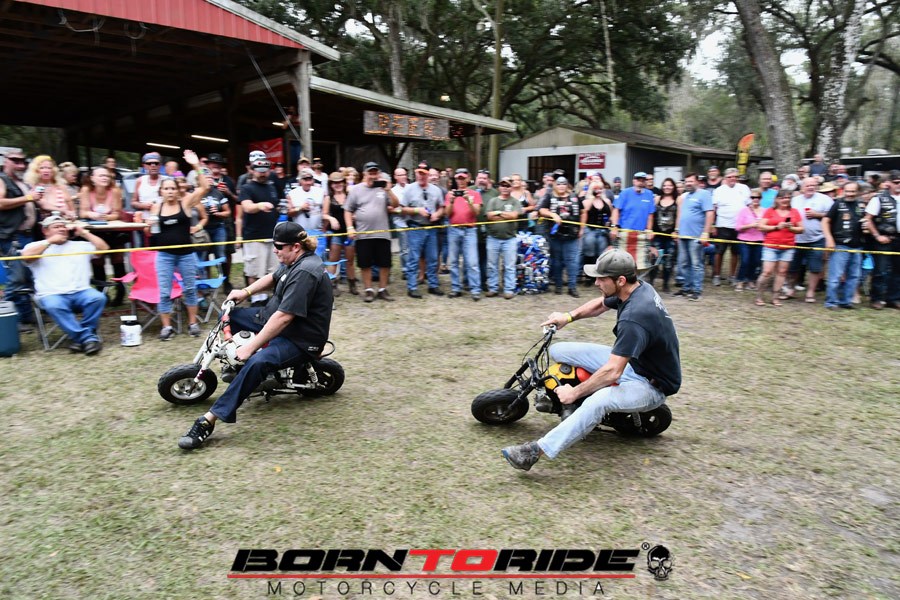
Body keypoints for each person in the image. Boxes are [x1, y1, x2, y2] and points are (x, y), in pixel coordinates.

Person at [501, 250, 681, 471]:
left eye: (601, 278)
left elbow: (613, 371)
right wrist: (567, 317)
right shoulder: (636, 288)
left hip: (651, 385)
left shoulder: (635, 317)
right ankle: (581, 405)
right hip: (636, 365)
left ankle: (535, 451)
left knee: (599, 401)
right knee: (560, 350)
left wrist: (574, 393)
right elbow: (602, 304)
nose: (596, 283)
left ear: (620, 280)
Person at [177, 221, 333, 449]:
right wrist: (245, 291)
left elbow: (284, 318)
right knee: (228, 314)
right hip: (273, 319)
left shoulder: (305, 272)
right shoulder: (294, 261)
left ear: (296, 246)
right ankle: (222, 364)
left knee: (257, 362)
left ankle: (207, 421)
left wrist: (251, 348)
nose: (274, 250)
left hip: (299, 338)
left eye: (278, 246)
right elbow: (274, 277)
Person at [21, 213, 109, 354]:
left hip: (81, 291)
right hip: (51, 294)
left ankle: (78, 338)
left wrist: (84, 233)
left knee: (98, 298)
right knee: (54, 305)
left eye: (64, 226)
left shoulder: (80, 245)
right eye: (56, 227)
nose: (61, 229)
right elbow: (27, 257)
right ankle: (88, 339)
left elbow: (104, 248)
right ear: (45, 231)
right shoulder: (35, 246)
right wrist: (50, 242)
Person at [149, 151, 209, 340]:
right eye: (166, 188)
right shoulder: (156, 208)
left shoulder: (186, 203)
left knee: (190, 289)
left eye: (172, 188)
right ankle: (166, 328)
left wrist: (195, 165)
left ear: (177, 190)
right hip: (164, 255)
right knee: (164, 292)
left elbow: (205, 187)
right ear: (161, 191)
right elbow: (150, 232)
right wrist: (147, 226)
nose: (169, 191)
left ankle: (193, 324)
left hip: (186, 254)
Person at [344, 162, 399, 302]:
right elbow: (348, 210)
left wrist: (389, 190)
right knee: (365, 264)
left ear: (378, 174)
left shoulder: (383, 188)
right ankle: (368, 290)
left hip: (383, 233)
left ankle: (382, 289)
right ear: (365, 174)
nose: (373, 175)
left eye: (375, 173)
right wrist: (350, 227)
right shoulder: (356, 190)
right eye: (370, 173)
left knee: (385, 263)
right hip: (363, 234)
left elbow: (395, 204)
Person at [0, 149, 39, 327]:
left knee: (27, 277)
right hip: (13, 236)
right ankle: (9, 321)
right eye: (15, 160)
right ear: (5, 161)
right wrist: (29, 197)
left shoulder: (21, 182)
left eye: (23, 161)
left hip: (26, 235)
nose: (20, 165)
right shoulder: (2, 179)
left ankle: (25, 317)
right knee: (16, 279)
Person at [79, 166, 127, 305]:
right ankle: (101, 295)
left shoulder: (115, 191)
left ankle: (120, 294)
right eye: (101, 175)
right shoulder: (86, 190)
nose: (105, 178)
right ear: (92, 178)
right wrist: (91, 214)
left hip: (114, 230)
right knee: (98, 261)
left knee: (118, 260)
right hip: (96, 232)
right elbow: (82, 212)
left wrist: (106, 217)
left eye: (107, 175)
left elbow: (117, 213)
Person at [238, 152, 281, 306]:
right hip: (254, 236)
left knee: (271, 271)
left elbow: (277, 205)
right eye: (259, 170)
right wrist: (260, 205)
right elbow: (246, 207)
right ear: (252, 170)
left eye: (265, 170)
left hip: (272, 235)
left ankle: (265, 299)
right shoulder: (246, 188)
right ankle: (256, 300)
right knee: (255, 271)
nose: (263, 173)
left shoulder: (272, 187)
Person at [783, 177, 834, 302]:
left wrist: (817, 214)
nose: (810, 187)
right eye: (807, 185)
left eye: (813, 185)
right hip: (796, 239)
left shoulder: (825, 199)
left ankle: (810, 293)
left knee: (815, 267)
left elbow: (833, 215)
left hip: (817, 238)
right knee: (793, 267)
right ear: (802, 188)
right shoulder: (795, 200)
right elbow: (787, 214)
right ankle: (791, 290)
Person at [399, 160, 445, 298]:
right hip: (416, 227)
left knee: (433, 258)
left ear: (428, 175)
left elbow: (441, 207)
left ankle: (433, 285)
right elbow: (402, 209)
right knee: (414, 258)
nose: (421, 176)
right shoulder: (409, 189)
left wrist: (437, 214)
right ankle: (412, 287)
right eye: (419, 173)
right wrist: (417, 210)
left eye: (424, 174)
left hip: (431, 228)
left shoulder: (436, 190)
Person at [755, 190, 803, 306]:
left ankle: (775, 297)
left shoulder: (794, 212)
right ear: (777, 200)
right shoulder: (770, 211)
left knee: (782, 272)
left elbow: (801, 229)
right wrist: (776, 227)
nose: (785, 200)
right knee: (767, 272)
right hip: (771, 245)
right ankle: (759, 296)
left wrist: (791, 228)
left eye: (788, 197)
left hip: (788, 246)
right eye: (782, 198)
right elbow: (761, 227)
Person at [822, 180, 865, 310]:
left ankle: (846, 301)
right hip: (840, 245)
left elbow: (865, 220)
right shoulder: (837, 204)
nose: (850, 194)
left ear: (858, 192)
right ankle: (831, 302)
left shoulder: (861, 204)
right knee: (835, 275)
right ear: (843, 191)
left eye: (853, 191)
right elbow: (825, 221)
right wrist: (829, 239)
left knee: (854, 276)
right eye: (847, 191)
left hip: (857, 245)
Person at [863, 170, 900, 309]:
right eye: (896, 182)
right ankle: (876, 299)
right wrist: (877, 235)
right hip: (884, 238)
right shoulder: (879, 198)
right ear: (889, 183)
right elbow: (868, 219)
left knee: (898, 270)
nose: (899, 185)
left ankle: (894, 298)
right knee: (880, 270)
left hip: (899, 239)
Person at [673, 173, 713, 301]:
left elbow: (710, 214)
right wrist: (677, 230)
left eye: (690, 181)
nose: (688, 184)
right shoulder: (687, 196)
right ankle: (686, 288)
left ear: (697, 181)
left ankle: (696, 290)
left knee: (696, 265)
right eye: (686, 182)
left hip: (696, 236)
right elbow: (681, 215)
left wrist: (705, 233)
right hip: (683, 235)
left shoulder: (704, 194)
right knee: (684, 264)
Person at [444, 168, 483, 301]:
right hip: (454, 229)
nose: (461, 181)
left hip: (469, 230)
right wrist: (451, 201)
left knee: (472, 261)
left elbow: (476, 213)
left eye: (463, 178)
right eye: (458, 179)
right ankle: (456, 288)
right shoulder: (450, 194)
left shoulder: (475, 194)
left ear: (468, 179)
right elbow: (447, 213)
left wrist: (468, 200)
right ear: (455, 180)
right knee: (454, 261)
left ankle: (475, 289)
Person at [483, 176, 523, 299]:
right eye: (502, 185)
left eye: (507, 185)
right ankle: (493, 288)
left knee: (509, 266)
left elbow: (514, 215)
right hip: (493, 238)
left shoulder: (515, 202)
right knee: (492, 265)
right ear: (499, 187)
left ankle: (509, 289)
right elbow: (489, 216)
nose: (505, 188)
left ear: (511, 188)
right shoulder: (493, 201)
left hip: (510, 238)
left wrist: (498, 213)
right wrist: (504, 214)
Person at [711, 167, 750, 286]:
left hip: (738, 227)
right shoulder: (719, 190)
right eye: (730, 177)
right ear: (725, 178)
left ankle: (732, 276)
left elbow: (749, 206)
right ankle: (717, 275)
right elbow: (714, 209)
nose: (732, 179)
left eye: (735, 177)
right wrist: (713, 225)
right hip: (722, 225)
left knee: (735, 252)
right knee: (719, 252)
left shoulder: (744, 188)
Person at [609, 172, 655, 266]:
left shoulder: (649, 194)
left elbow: (650, 214)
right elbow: (616, 210)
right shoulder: (625, 193)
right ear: (633, 181)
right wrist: (614, 227)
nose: (640, 183)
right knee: (621, 263)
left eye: (643, 181)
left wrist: (650, 230)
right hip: (624, 234)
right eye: (638, 180)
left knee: (641, 264)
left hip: (641, 235)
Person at [322, 171, 356, 295]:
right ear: (331, 184)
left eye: (340, 182)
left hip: (349, 232)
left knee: (350, 260)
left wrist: (355, 216)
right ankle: (332, 284)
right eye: (335, 183)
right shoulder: (328, 198)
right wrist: (331, 218)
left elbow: (357, 209)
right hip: (335, 232)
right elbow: (324, 214)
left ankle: (352, 284)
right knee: (333, 259)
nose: (338, 185)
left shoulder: (350, 195)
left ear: (344, 183)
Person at [24, 155, 76, 219]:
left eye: (49, 168)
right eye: (42, 168)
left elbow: (72, 209)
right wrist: (64, 211)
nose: (46, 171)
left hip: (66, 222)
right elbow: (44, 205)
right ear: (36, 171)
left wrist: (72, 216)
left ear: (53, 170)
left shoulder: (61, 186)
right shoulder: (32, 187)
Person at [581, 177, 614, 279]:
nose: (598, 191)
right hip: (590, 230)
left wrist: (610, 223)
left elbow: (611, 215)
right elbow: (584, 213)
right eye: (596, 189)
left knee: (601, 254)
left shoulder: (607, 201)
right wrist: (592, 196)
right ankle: (588, 275)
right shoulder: (587, 201)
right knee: (589, 252)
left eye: (600, 188)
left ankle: (598, 275)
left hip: (603, 230)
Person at [650, 178, 678, 292]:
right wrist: (650, 230)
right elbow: (651, 215)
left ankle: (666, 284)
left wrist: (676, 231)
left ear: (673, 187)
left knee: (669, 260)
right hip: (657, 235)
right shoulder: (657, 198)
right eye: (665, 185)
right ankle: (650, 283)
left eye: (670, 185)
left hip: (670, 236)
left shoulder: (678, 199)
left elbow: (679, 216)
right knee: (655, 259)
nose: (667, 187)